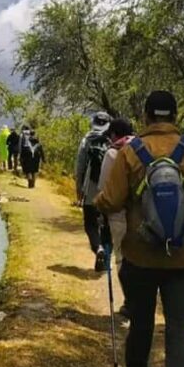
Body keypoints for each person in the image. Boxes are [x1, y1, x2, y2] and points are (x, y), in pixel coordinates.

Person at [95, 90, 184, 367]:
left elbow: (109, 201)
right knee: (179, 334)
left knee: (141, 323)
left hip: (140, 259)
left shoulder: (130, 153)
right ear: (175, 115)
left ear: (145, 117)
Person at [97, 117, 134, 318]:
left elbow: (104, 188)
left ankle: (130, 301)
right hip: (142, 215)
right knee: (140, 257)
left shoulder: (112, 153)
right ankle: (143, 299)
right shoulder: (142, 149)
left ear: (113, 134)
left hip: (118, 215)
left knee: (121, 257)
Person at [76, 111, 111, 271]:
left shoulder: (87, 140)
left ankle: (98, 248)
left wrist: (79, 189)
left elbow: (80, 167)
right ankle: (106, 258)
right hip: (109, 191)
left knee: (90, 223)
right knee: (106, 225)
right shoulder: (112, 140)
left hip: (90, 189)